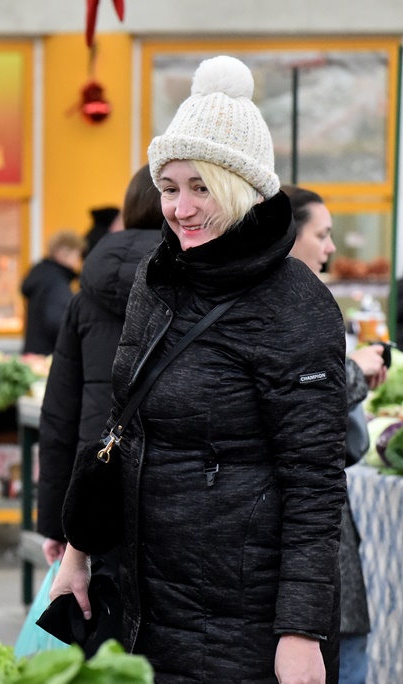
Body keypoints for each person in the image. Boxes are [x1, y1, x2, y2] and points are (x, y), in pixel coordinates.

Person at [52, 56, 347, 683]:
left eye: (201, 187)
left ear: (241, 190)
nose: (180, 208)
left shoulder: (296, 305)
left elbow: (314, 485)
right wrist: (77, 554)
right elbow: (120, 428)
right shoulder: (156, 282)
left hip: (241, 622)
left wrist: (301, 632)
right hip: (141, 605)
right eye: (169, 187)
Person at [37, 164, 163, 560]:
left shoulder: (84, 297)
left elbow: (58, 415)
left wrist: (56, 524)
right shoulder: (196, 285)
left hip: (95, 485)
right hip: (176, 489)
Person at [286, 183, 383, 684]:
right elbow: (337, 437)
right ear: (290, 235)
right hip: (310, 559)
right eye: (322, 235)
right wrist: (351, 372)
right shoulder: (298, 312)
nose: (331, 248)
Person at [20, 231, 84, 355]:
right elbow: (57, 321)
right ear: (62, 253)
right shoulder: (56, 281)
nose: (78, 261)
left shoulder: (43, 274)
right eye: (76, 255)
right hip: (49, 354)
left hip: (34, 350)